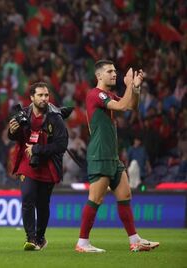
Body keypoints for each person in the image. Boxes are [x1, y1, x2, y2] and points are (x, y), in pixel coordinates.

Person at [76, 59, 159, 253]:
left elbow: (132, 106)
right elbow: (122, 106)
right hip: (100, 155)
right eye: (110, 71)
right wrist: (129, 84)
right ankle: (82, 242)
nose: (114, 74)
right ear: (99, 76)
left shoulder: (107, 94)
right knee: (95, 199)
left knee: (125, 194)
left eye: (115, 71)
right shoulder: (95, 95)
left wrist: (135, 89)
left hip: (112, 156)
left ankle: (135, 240)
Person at [8, 82, 69, 251]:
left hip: (47, 164)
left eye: (46, 95)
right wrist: (11, 131)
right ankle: (31, 238)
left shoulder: (55, 117)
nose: (44, 99)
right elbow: (15, 136)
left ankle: (41, 237)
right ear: (32, 97)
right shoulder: (23, 114)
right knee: (27, 198)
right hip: (27, 164)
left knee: (43, 204)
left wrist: (36, 149)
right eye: (40, 95)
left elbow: (61, 145)